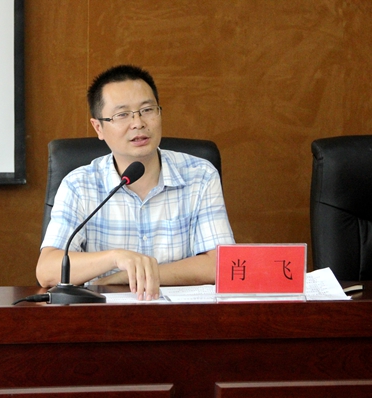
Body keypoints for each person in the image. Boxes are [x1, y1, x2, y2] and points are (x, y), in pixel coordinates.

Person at [36, 65, 235, 300]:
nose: (138, 123)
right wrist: (116, 258)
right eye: (122, 115)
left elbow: (220, 265)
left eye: (147, 110)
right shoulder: (79, 185)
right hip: (103, 317)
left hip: (180, 316)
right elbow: (47, 271)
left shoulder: (199, 175)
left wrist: (125, 276)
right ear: (98, 127)